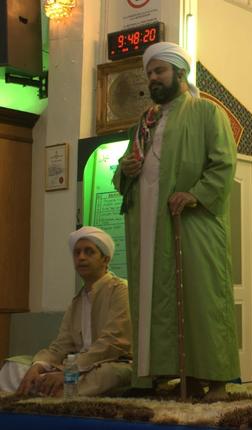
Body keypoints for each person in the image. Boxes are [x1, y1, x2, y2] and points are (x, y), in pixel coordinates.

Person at [113, 42, 239, 400]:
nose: (153, 78)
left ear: (179, 73)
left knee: (201, 294)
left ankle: (215, 379)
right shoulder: (145, 121)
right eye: (149, 73)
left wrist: (195, 193)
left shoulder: (205, 112)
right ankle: (167, 373)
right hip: (149, 224)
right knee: (154, 297)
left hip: (191, 221)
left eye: (159, 71)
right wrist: (127, 170)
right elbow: (125, 169)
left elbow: (223, 164)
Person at [0, 227, 132, 397]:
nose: (81, 257)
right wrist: (37, 367)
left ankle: (49, 388)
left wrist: (71, 370)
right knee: (13, 367)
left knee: (107, 375)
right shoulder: (77, 301)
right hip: (73, 366)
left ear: (105, 259)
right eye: (77, 253)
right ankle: (47, 386)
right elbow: (60, 345)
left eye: (88, 252)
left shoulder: (120, 290)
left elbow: (112, 344)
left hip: (110, 363)